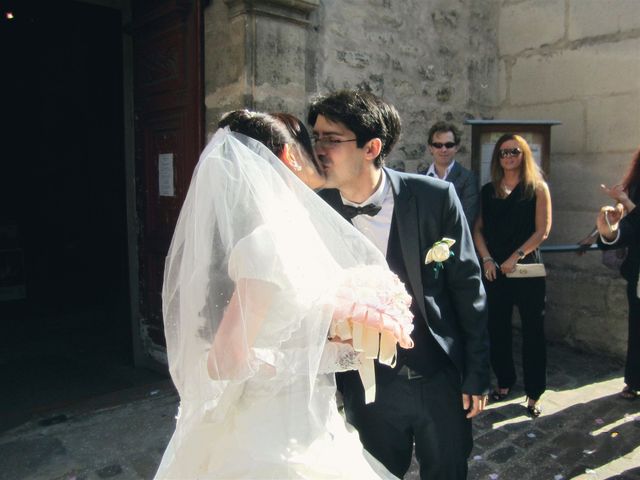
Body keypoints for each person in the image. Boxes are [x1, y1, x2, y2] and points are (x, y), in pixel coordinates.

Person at [155, 110, 405, 479]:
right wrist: (330, 354)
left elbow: (282, 328)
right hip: (270, 434)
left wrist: (340, 336)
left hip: (307, 417)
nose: (318, 151)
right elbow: (224, 361)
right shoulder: (268, 243)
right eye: (309, 141)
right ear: (289, 155)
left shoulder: (289, 229)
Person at [308, 90, 490, 480]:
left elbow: (467, 287)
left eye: (331, 139)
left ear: (371, 147)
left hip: (437, 379)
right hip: (364, 388)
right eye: (316, 136)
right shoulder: (315, 208)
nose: (319, 148)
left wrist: (476, 373)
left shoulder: (434, 197)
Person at [472, 133, 552, 418]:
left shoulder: (537, 188)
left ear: (524, 155)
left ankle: (534, 393)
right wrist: (487, 259)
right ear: (498, 158)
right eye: (504, 152)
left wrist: (514, 257)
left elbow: (542, 230)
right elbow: (477, 229)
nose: (509, 156)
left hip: (526, 269)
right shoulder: (488, 190)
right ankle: (505, 381)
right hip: (496, 272)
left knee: (533, 332)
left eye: (514, 151)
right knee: (497, 329)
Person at [596, 147, 640, 400]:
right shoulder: (634, 185)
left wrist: (627, 203)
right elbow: (628, 230)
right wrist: (609, 229)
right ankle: (634, 379)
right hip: (639, 271)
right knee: (637, 327)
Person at [425, 121, 479, 227]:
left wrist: (440, 244)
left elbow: (466, 219)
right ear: (431, 148)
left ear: (456, 147)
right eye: (438, 145)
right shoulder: (420, 178)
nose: (444, 149)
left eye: (449, 145)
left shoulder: (468, 178)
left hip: (454, 241)